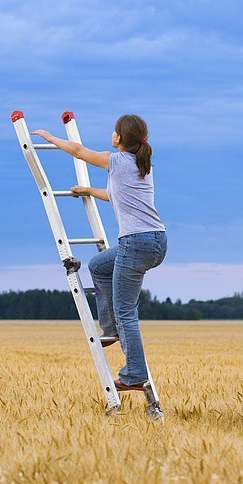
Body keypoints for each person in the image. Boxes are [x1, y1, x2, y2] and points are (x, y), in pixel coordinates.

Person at [31, 114, 167, 391]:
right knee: (99, 266)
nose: (111, 133)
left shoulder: (117, 160)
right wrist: (88, 191)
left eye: (113, 131)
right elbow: (116, 194)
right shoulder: (143, 165)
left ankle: (134, 375)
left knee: (126, 311)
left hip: (135, 242)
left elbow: (80, 152)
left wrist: (51, 138)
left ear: (119, 138)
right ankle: (111, 328)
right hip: (157, 241)